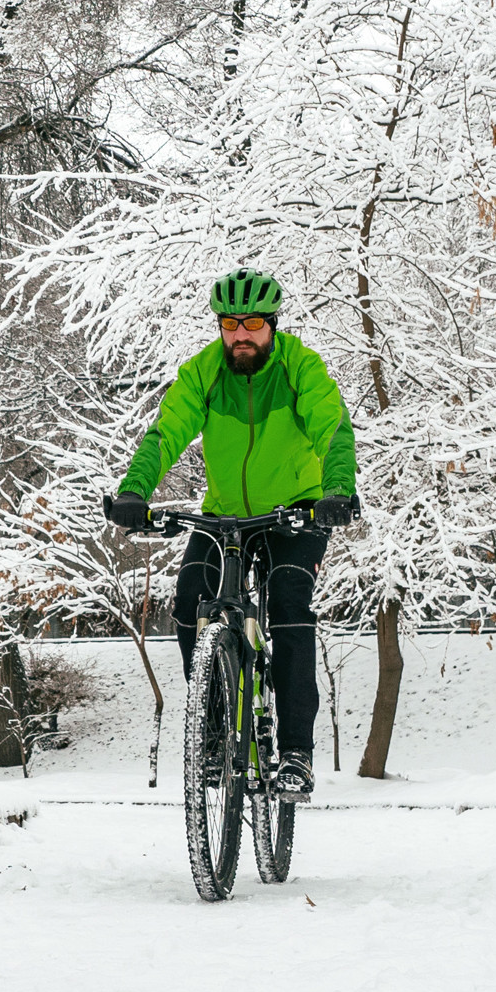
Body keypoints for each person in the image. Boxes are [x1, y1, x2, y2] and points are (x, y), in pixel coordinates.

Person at [102, 267, 358, 800]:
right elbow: (166, 431)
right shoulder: (204, 373)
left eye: (253, 324)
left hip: (298, 511)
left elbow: (332, 426)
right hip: (224, 515)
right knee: (189, 601)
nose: (240, 335)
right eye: (229, 325)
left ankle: (295, 754)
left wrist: (336, 491)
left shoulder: (298, 368)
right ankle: (215, 734)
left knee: (289, 607)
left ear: (272, 324)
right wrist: (134, 492)